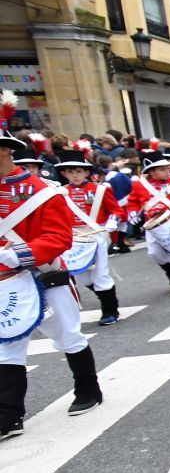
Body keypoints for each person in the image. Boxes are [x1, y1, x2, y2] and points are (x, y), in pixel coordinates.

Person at [0, 110, 105, 435]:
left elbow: (59, 237)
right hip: (4, 284)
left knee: (67, 335)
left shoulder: (43, 191)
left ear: (4, 150)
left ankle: (88, 389)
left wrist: (18, 254)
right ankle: (9, 416)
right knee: (6, 346)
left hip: (43, 276)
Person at [53, 149, 122, 325]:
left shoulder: (100, 190)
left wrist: (112, 221)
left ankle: (110, 310)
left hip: (96, 234)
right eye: (70, 172)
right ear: (63, 173)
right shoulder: (59, 193)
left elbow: (116, 209)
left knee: (100, 274)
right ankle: (106, 297)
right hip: (73, 237)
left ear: (86, 172)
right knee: (81, 275)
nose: (75, 175)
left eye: (78, 171)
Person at [123, 152, 170, 295]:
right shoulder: (139, 185)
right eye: (163, 169)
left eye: (168, 168)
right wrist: (132, 213)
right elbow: (133, 201)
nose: (167, 172)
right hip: (152, 225)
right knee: (155, 253)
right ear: (151, 171)